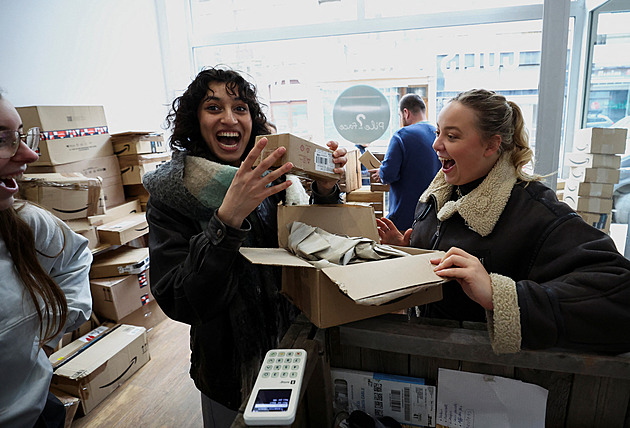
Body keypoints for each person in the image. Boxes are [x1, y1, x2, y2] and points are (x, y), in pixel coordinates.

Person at [142, 66, 347, 427]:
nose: (229, 118)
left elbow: (313, 242)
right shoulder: (172, 194)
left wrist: (326, 189)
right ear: (194, 119)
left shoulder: (271, 177)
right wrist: (227, 219)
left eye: (240, 108)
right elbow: (180, 299)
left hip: (294, 347)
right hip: (229, 371)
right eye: (213, 107)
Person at [377, 88, 630, 355]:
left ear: (492, 145)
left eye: (451, 136)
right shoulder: (436, 197)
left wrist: (499, 294)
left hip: (489, 375)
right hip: (431, 358)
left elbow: (619, 294)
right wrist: (409, 249)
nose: (436, 145)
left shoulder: (535, 211)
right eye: (438, 132)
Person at [0, 92, 93, 428]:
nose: (29, 153)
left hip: (37, 413)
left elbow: (75, 258)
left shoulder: (24, 221)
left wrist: (48, 330)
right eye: (2, 139)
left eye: (21, 135)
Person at [370, 93, 441, 230]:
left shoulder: (401, 135)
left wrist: (381, 172)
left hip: (406, 219)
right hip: (433, 218)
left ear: (406, 113)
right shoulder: (438, 135)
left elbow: (388, 175)